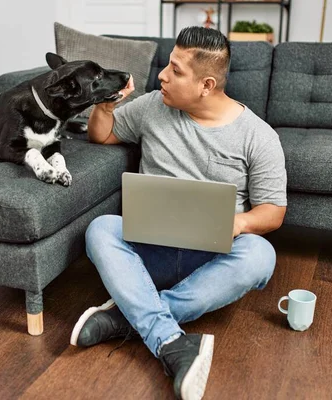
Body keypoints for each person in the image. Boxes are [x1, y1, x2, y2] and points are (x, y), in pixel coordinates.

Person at [70, 26, 287, 400]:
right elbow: (102, 136)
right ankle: (170, 339)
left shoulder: (258, 135)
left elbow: (274, 211)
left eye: (175, 70)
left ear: (205, 85)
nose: (162, 76)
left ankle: (129, 317)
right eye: (166, 65)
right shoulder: (154, 105)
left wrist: (240, 222)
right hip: (148, 250)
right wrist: (104, 105)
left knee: (260, 255)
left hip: (211, 260)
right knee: (101, 229)